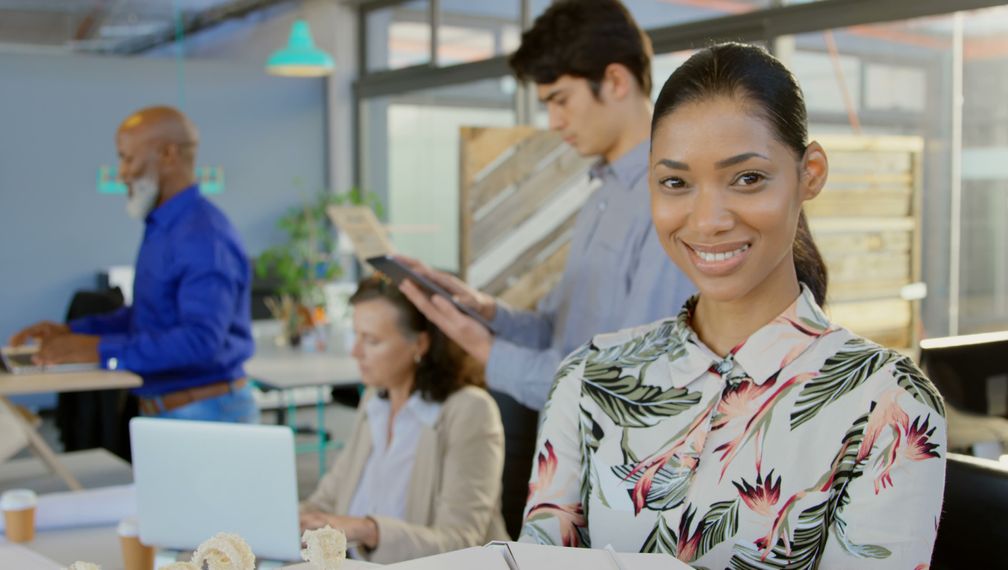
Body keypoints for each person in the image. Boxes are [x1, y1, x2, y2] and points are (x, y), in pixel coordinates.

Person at [519, 43, 947, 569]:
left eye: (747, 178)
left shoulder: (888, 404)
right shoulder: (588, 379)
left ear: (809, 173)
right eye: (675, 183)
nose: (707, 221)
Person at [398, 0, 695, 412]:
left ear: (615, 81)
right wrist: (485, 312)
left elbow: (635, 381)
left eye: (561, 100)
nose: (554, 122)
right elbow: (560, 333)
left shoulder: (671, 198)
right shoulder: (601, 199)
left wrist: (486, 350)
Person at [8, 106, 258, 423]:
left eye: (128, 158)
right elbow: (151, 317)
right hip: (169, 409)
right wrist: (72, 332)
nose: (123, 172)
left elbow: (200, 341)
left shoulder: (203, 235)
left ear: (168, 154)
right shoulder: (162, 227)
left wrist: (99, 350)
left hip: (205, 412)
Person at [300, 276, 507, 564]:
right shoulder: (375, 401)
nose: (355, 352)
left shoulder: (469, 411)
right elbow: (327, 499)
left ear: (420, 344)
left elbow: (462, 542)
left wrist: (369, 531)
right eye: (355, 335)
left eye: (371, 340)